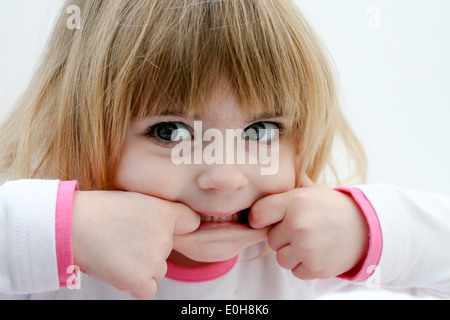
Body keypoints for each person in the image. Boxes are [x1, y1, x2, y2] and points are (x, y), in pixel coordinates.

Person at [1, 0, 449, 300]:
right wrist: (58, 233)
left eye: (259, 131)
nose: (225, 176)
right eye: (171, 132)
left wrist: (369, 231)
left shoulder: (309, 259)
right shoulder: (52, 260)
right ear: (79, 128)